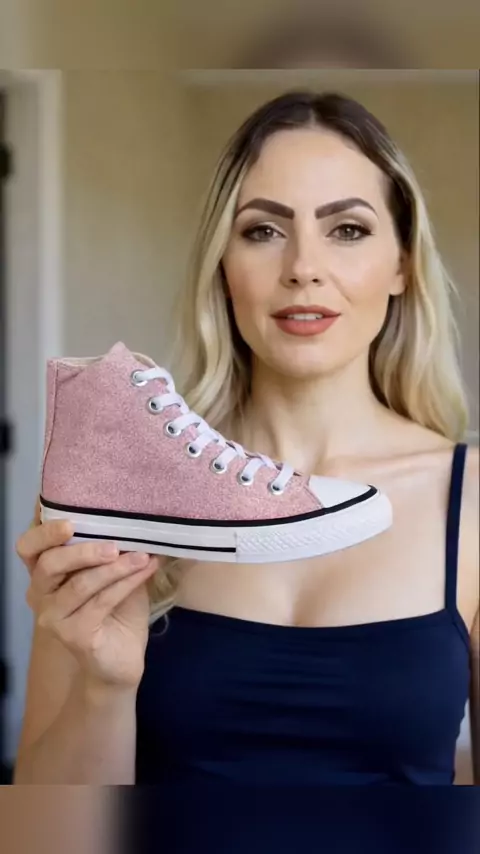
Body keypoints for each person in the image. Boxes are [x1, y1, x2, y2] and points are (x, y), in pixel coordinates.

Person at [13, 89, 479, 840]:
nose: (303, 268)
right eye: (263, 230)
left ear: (401, 264)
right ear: (223, 266)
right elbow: (42, 836)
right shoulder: (118, 492)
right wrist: (105, 686)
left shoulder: (472, 498)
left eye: (348, 230)